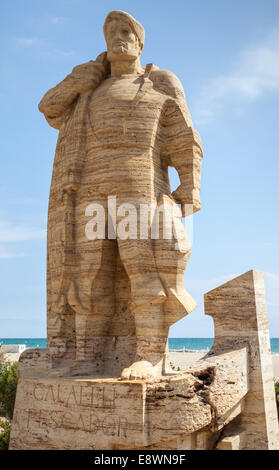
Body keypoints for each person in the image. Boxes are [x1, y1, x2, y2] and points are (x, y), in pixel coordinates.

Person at [39, 10, 203, 379]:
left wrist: (190, 186)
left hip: (140, 188)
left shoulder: (159, 81)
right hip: (89, 190)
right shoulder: (90, 82)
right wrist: (77, 82)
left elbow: (185, 135)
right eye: (111, 31)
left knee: (143, 268)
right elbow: (49, 108)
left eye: (126, 30)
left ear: (140, 42)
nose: (118, 36)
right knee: (88, 273)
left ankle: (150, 357)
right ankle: (87, 357)